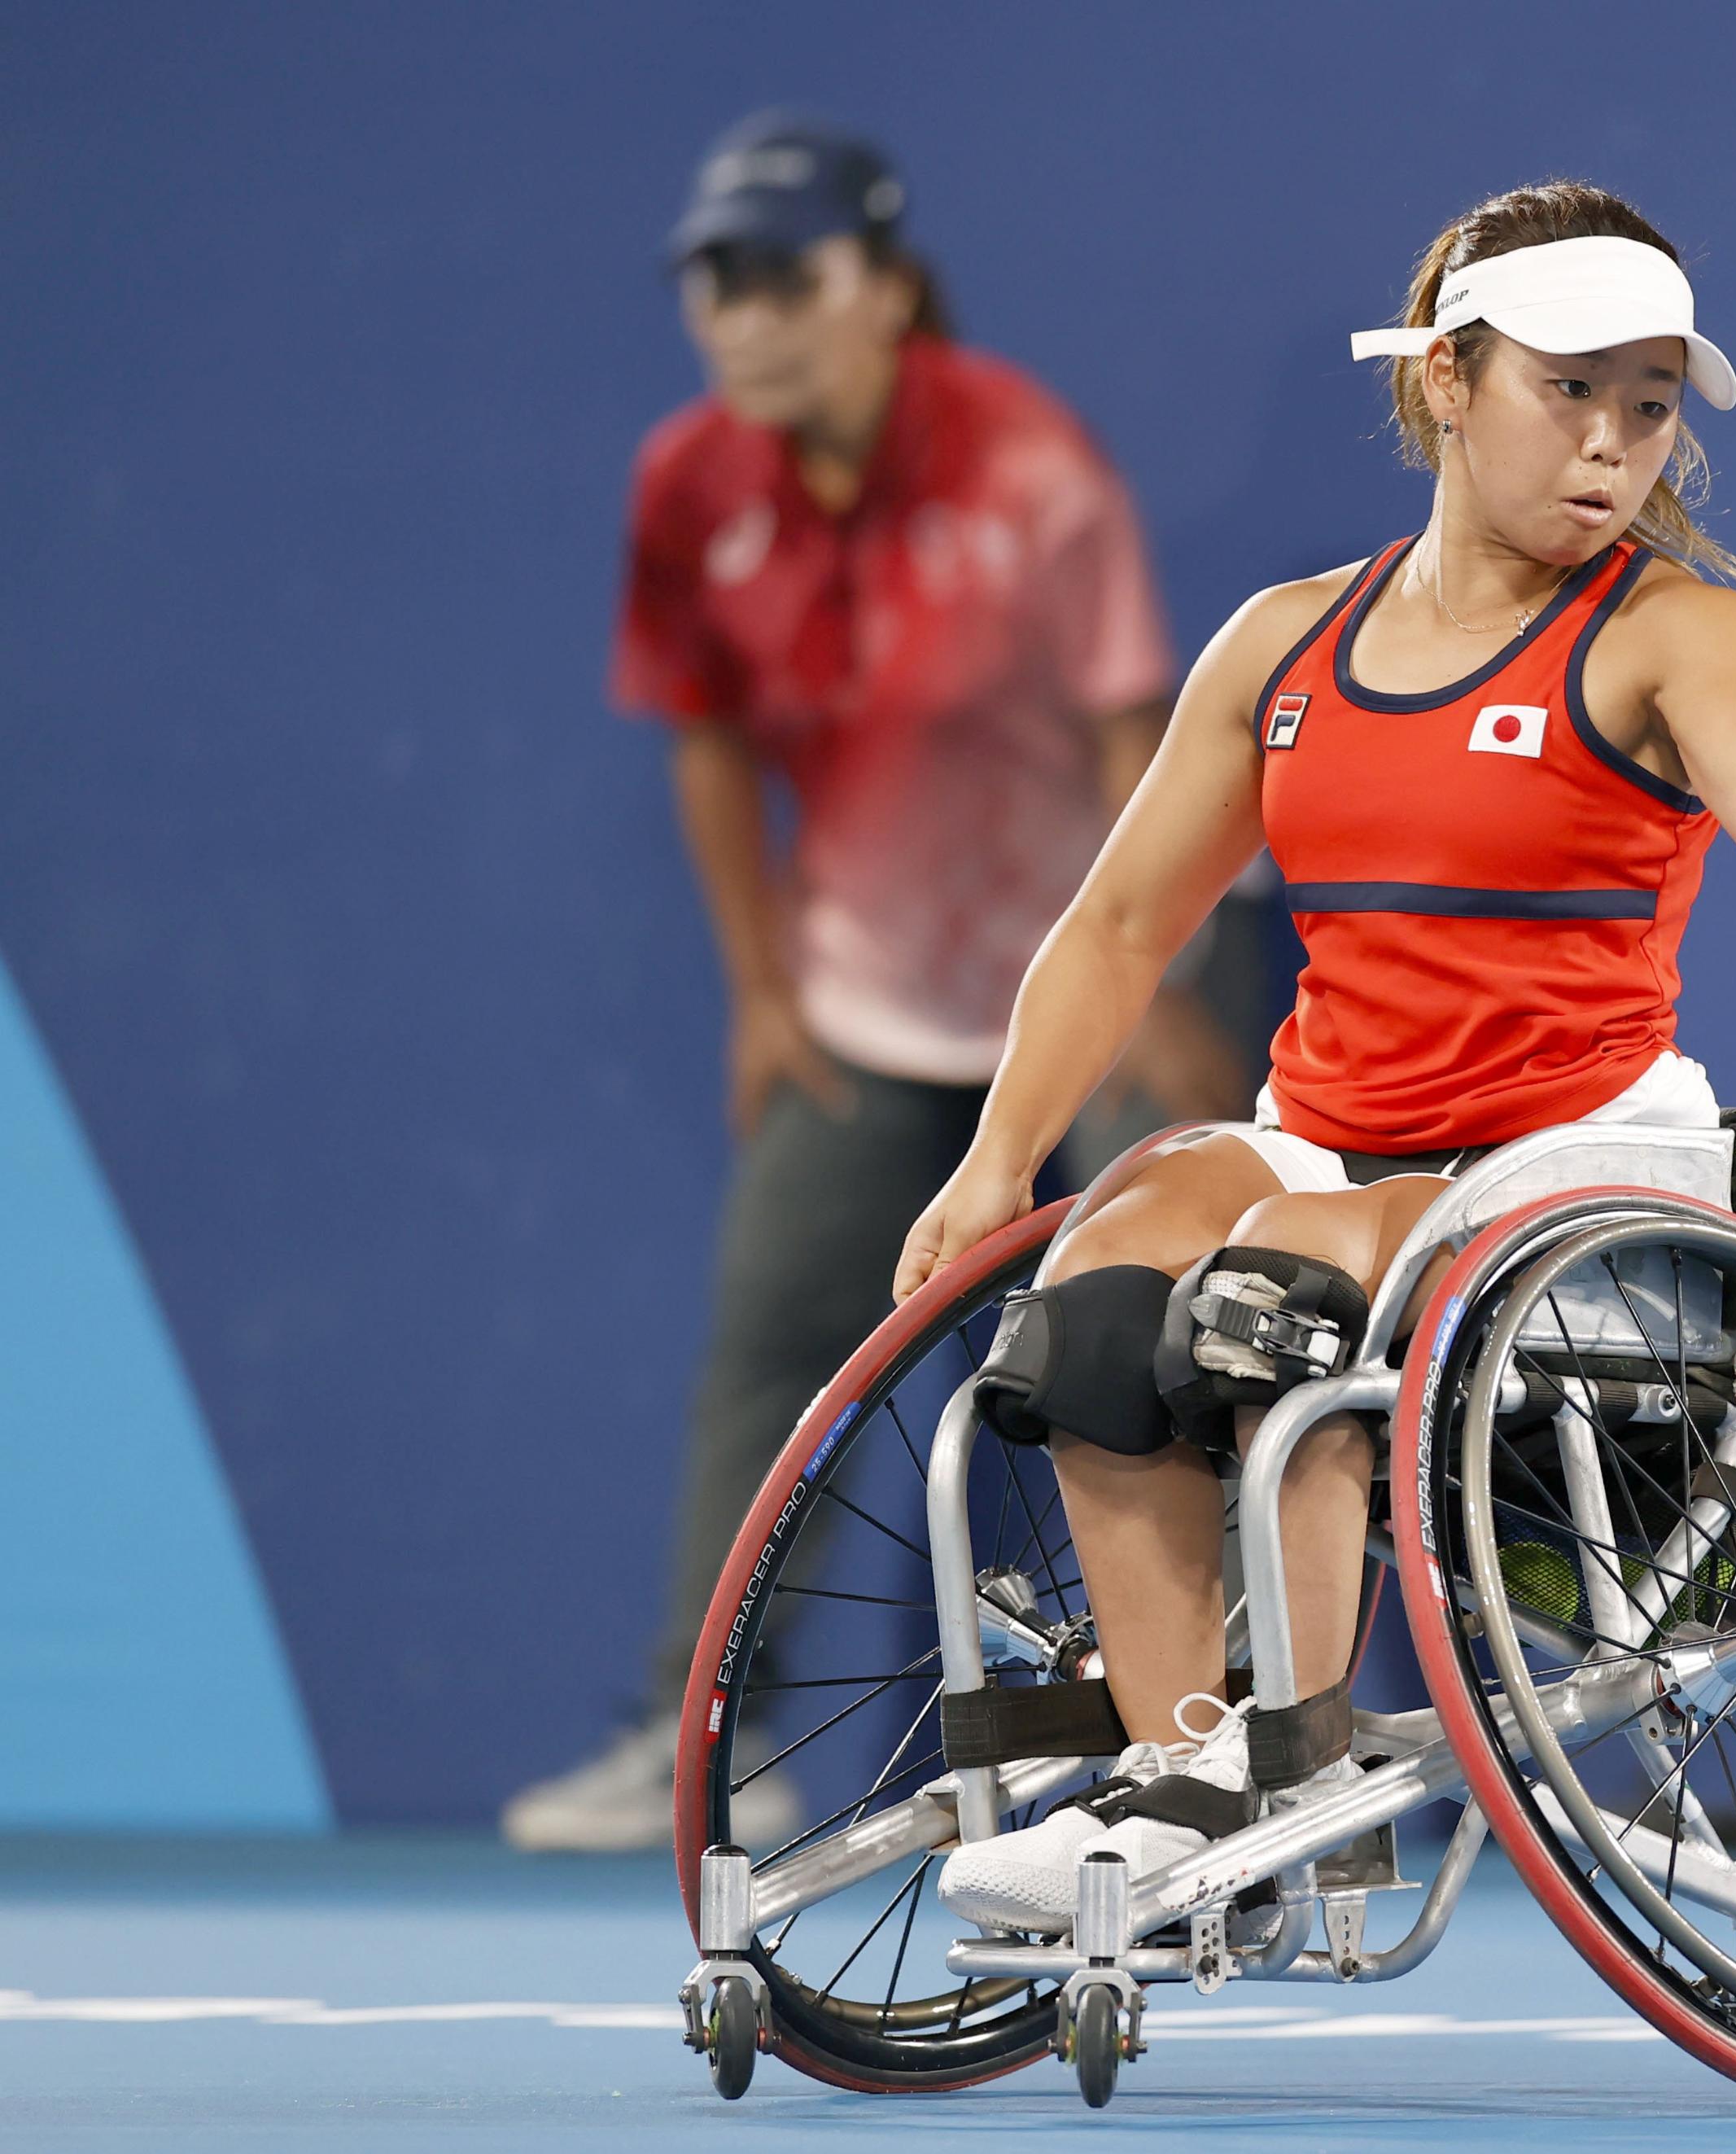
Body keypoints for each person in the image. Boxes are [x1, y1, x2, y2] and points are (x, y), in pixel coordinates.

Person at [884, 178, 1736, 1933]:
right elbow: (1120, 929)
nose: (1614, 447)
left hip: (1567, 1157)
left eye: (1650, 404)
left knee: (1266, 1298)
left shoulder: (1675, 631)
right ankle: (1192, 1779)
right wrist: (999, 1161)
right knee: (1083, 1309)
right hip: (1329, 1131)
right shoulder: (1282, 643)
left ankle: (1290, 1777)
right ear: (1447, 380)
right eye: (1568, 392)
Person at [502, 114, 1255, 1851]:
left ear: (885, 292)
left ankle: (1265, 1729)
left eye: (785, 279)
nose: (743, 318)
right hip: (867, 1014)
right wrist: (763, 989)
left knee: (1219, 1347)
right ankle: (715, 1746)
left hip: (1089, 1010)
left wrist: (1163, 990)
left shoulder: (1031, 472)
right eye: (715, 283)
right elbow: (705, 748)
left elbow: (1156, 756)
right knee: (772, 1364)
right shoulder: (687, 486)